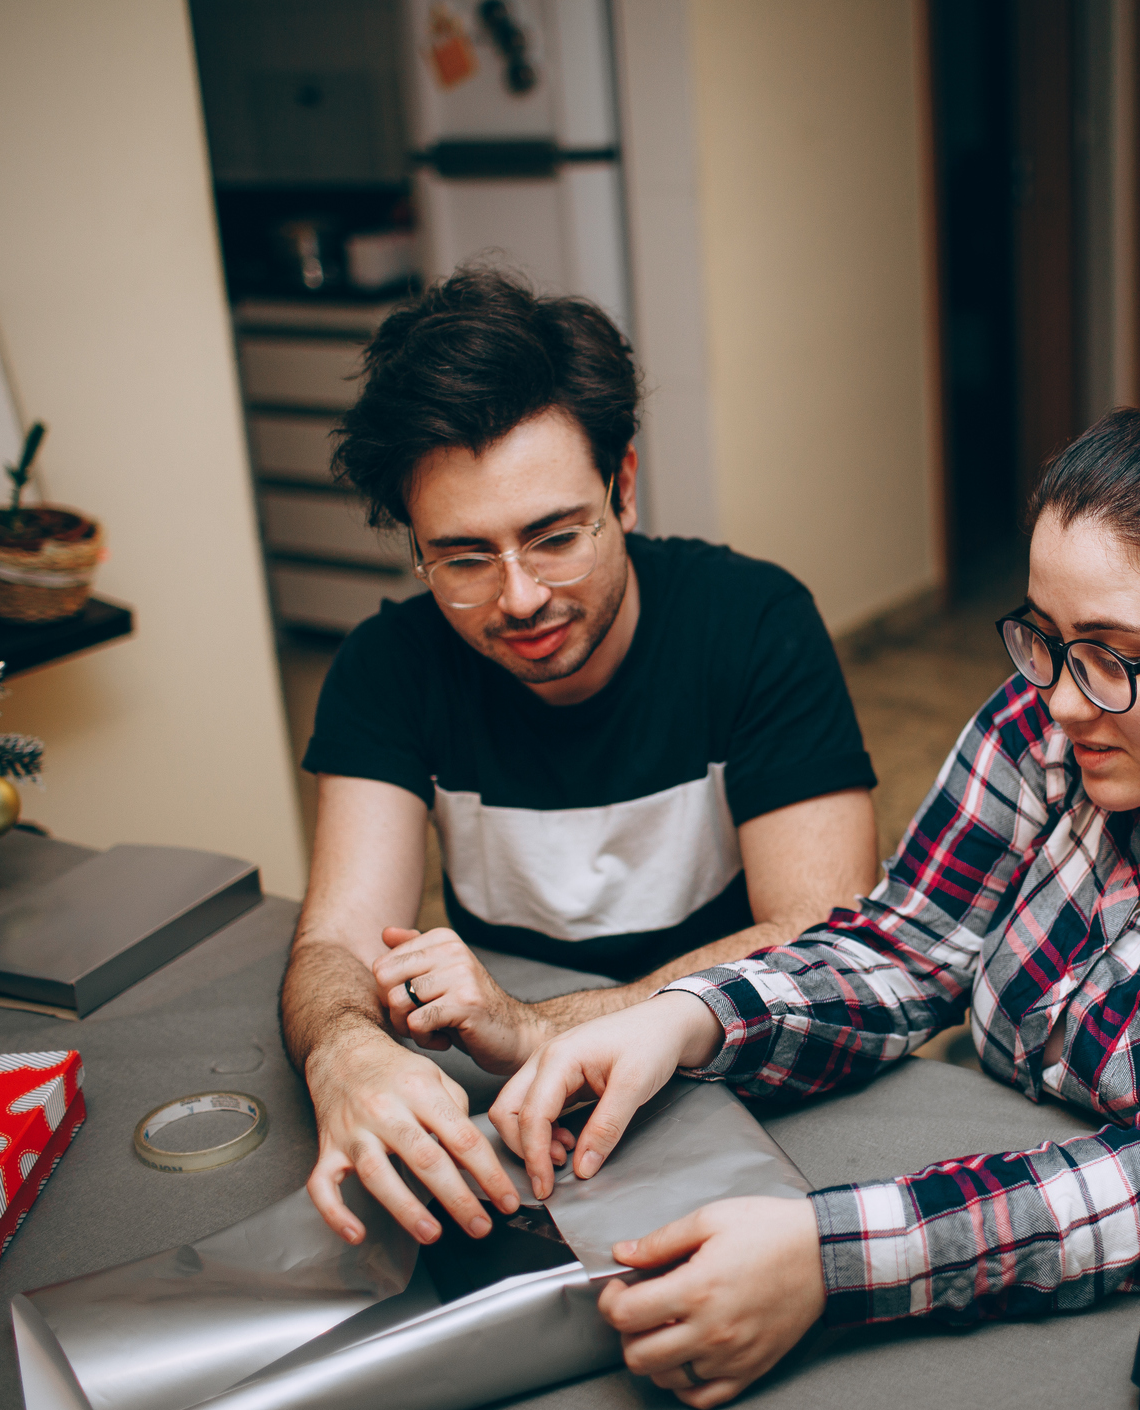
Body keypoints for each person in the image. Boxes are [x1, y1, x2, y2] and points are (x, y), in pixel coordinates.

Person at [488, 390, 1140, 1408]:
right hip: (1045, 1233)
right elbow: (907, 946)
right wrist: (683, 1017)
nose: (1063, 700)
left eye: (1115, 657)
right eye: (1044, 638)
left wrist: (829, 1258)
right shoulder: (1064, 714)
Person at [280, 268, 881, 1249]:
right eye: (464, 558)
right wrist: (344, 1052)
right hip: (521, 1113)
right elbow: (335, 941)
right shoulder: (386, 668)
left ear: (625, 487)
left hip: (742, 1064)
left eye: (556, 536)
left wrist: (545, 1024)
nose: (518, 598)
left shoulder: (755, 621)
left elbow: (829, 929)